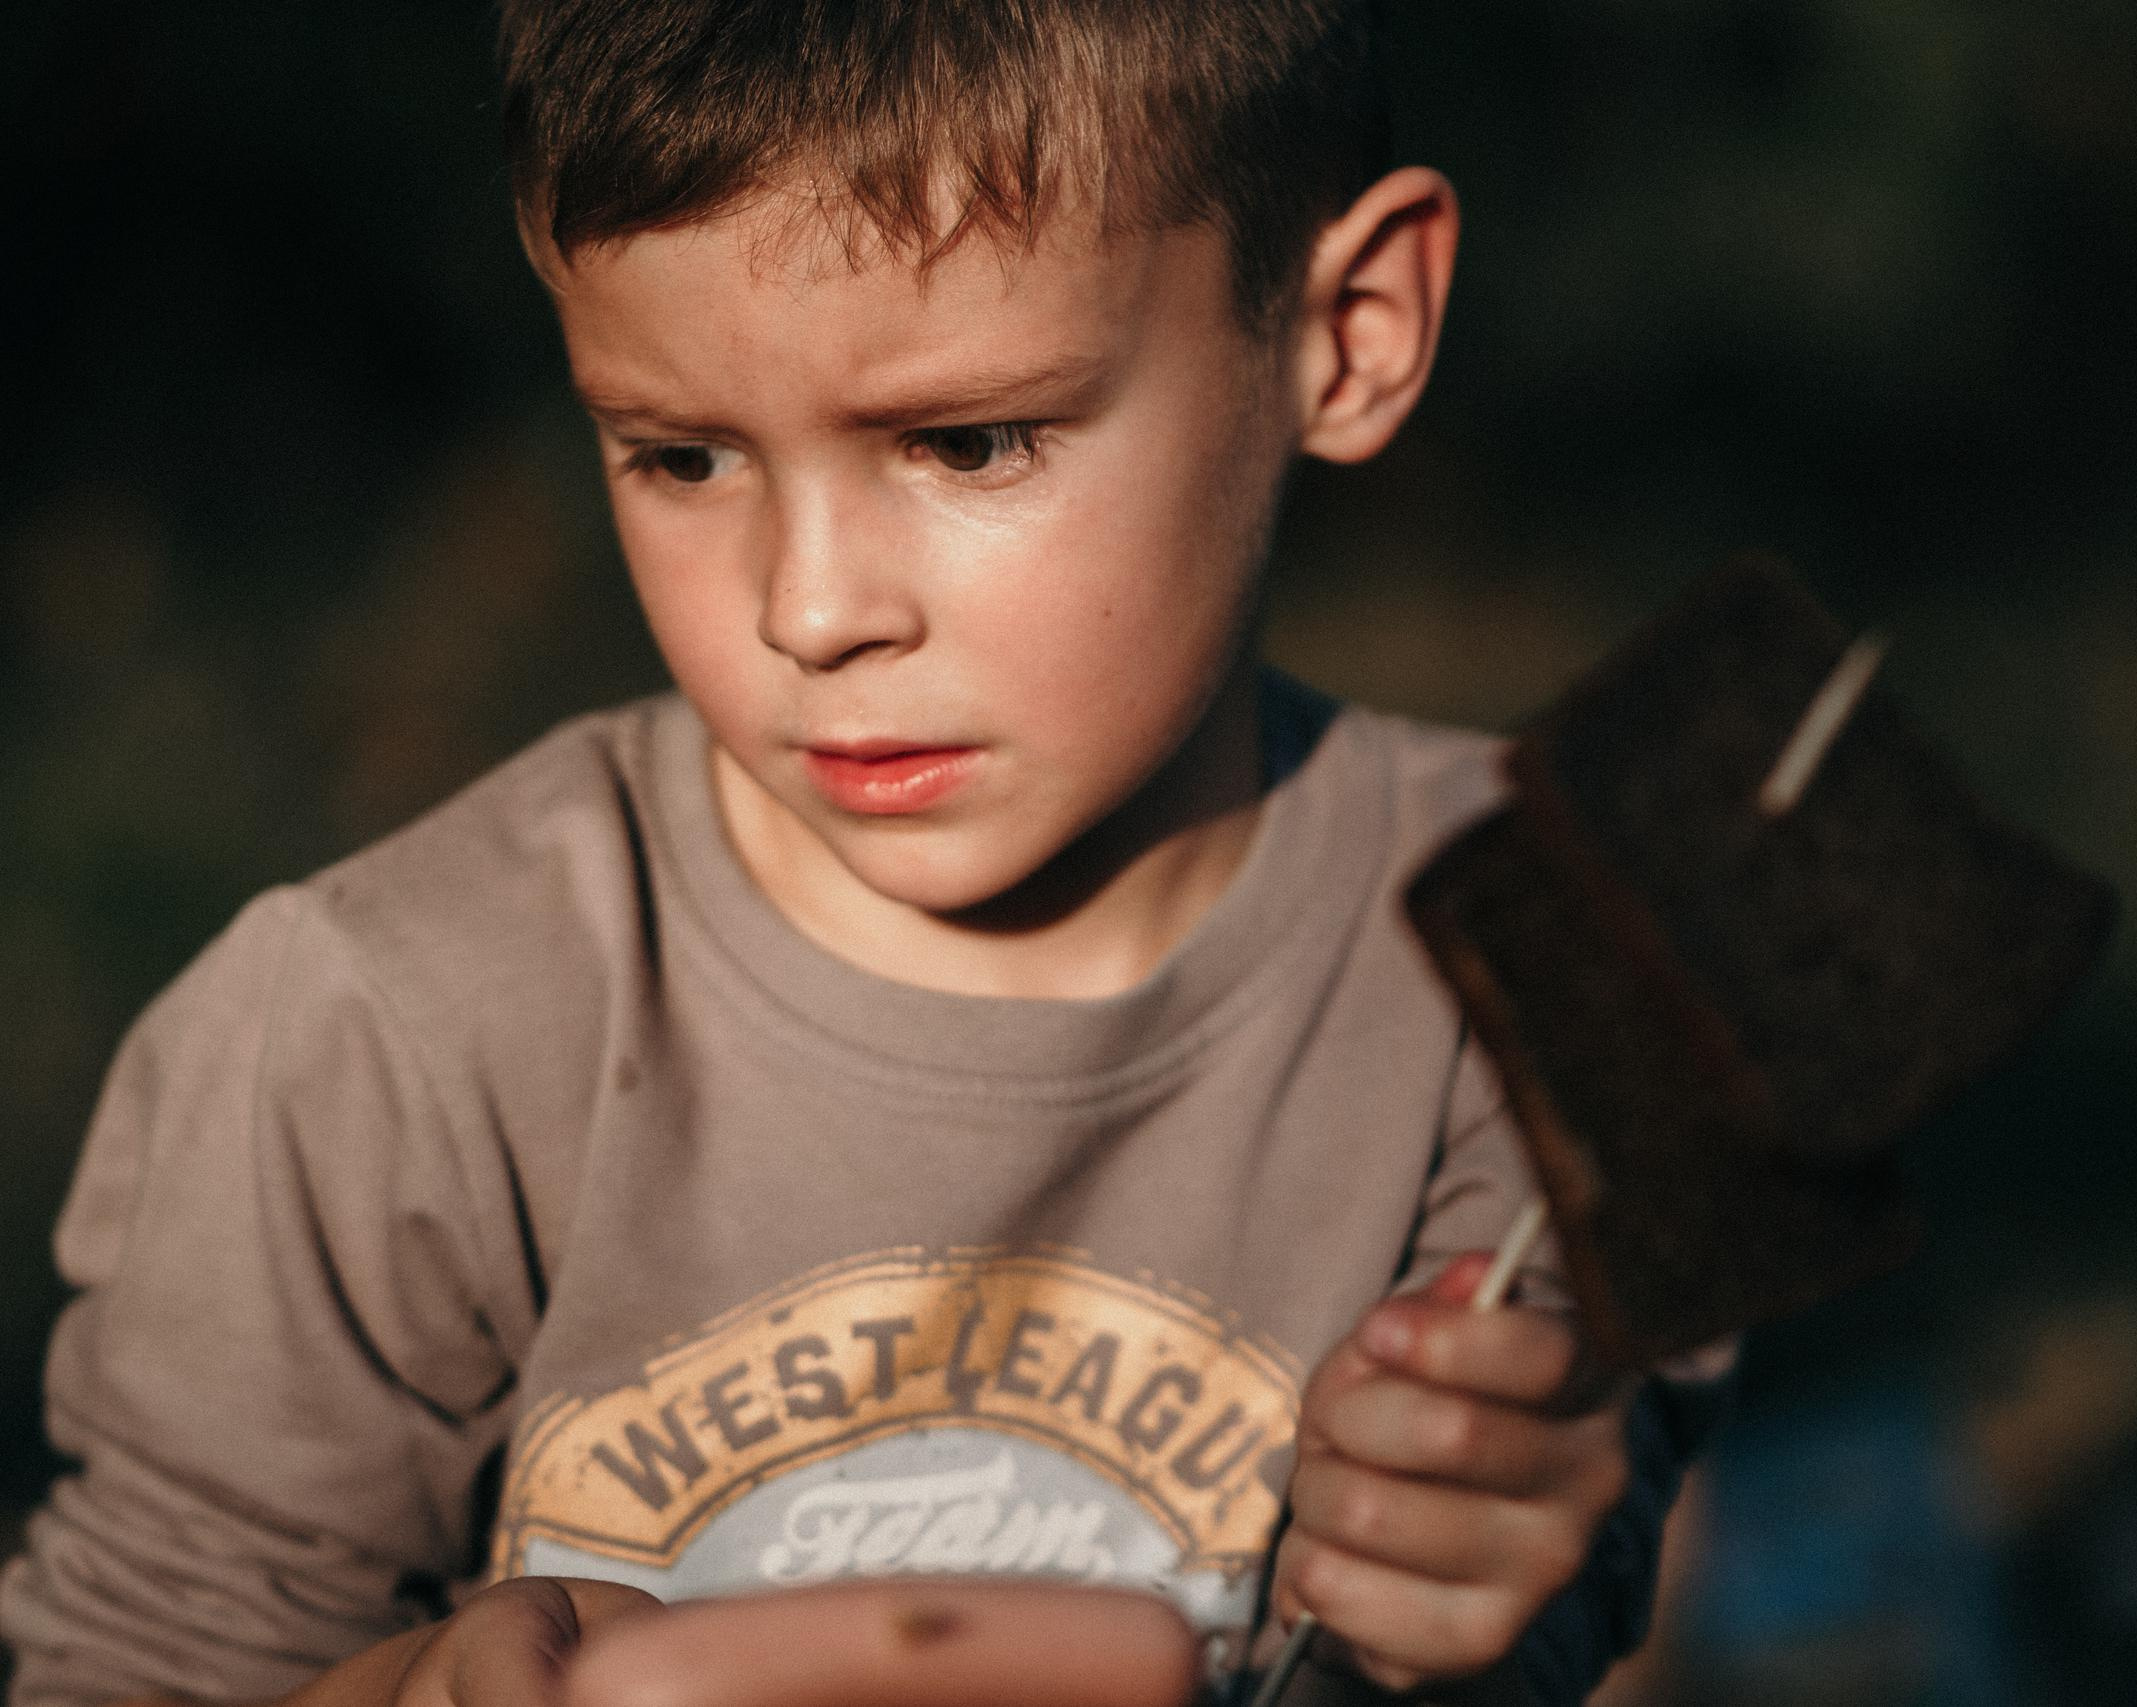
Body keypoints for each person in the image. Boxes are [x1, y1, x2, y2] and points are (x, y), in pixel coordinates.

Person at [0, 3, 1707, 1703]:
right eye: (680, 457)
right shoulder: (387, 1043)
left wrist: (1498, 1567)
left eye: (967, 442)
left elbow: (1575, 1583)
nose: (807, 612)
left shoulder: (1558, 955)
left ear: (1347, 330)